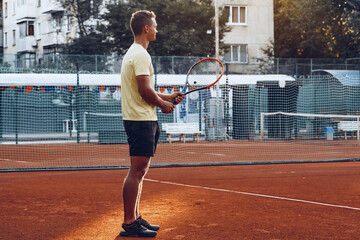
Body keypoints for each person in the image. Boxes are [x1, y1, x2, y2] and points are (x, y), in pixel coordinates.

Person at [119, 10, 184, 238]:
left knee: (140, 171)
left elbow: (148, 90)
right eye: (155, 26)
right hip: (140, 120)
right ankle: (129, 223)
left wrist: (166, 98)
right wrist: (163, 105)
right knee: (136, 171)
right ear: (146, 28)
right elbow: (144, 91)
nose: (157, 30)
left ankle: (135, 217)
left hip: (142, 118)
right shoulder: (140, 55)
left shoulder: (137, 53)